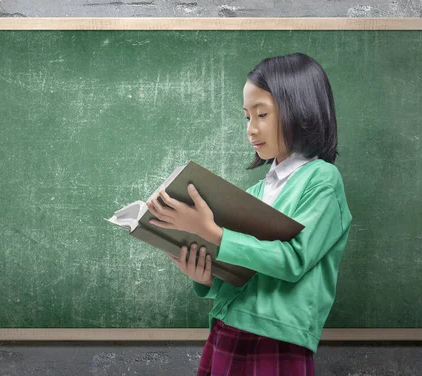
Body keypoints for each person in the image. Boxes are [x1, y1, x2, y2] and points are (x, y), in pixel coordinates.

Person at [146, 53, 353, 375]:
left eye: (262, 115)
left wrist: (211, 232)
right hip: (228, 326)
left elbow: (293, 261)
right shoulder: (257, 193)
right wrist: (206, 278)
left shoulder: (322, 180)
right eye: (247, 117)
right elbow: (246, 274)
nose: (251, 129)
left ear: (301, 112)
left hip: (278, 338)